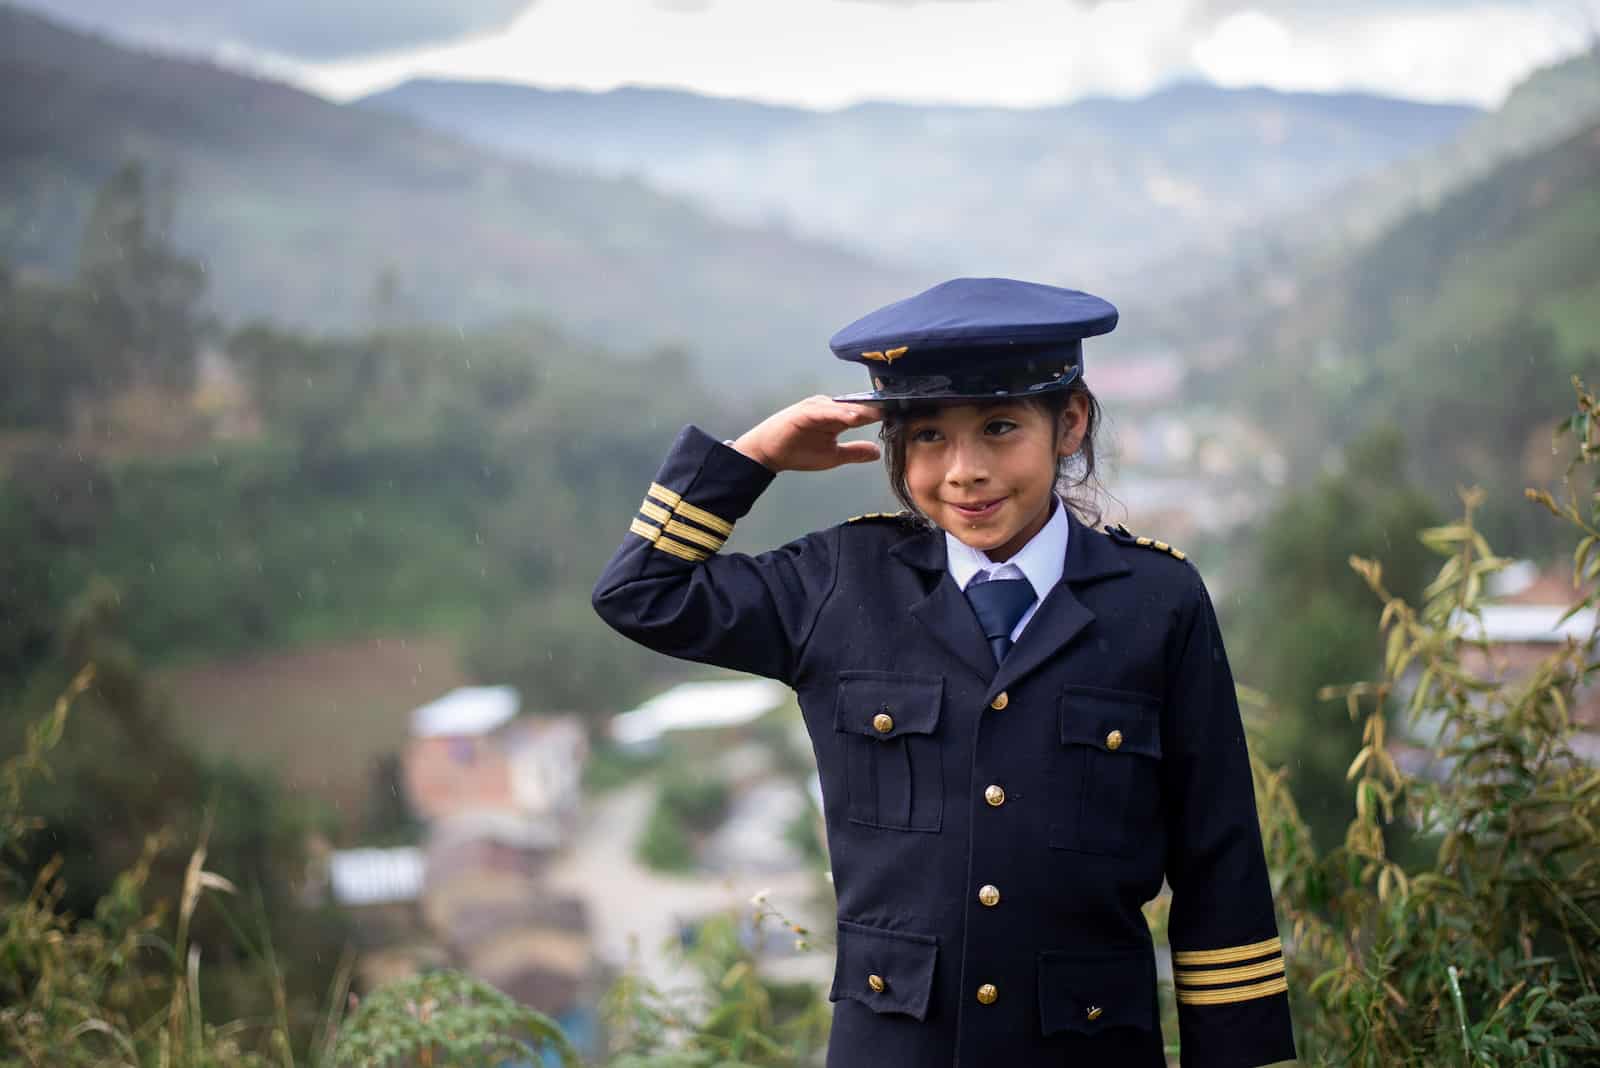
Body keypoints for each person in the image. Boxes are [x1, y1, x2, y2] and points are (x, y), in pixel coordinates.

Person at [591, 277, 1296, 1067]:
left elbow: (1218, 865)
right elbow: (641, 595)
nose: (964, 471)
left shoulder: (1158, 602)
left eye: (999, 428)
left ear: (1070, 422)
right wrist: (752, 459)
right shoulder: (840, 584)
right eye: (927, 437)